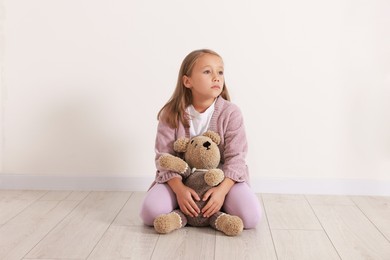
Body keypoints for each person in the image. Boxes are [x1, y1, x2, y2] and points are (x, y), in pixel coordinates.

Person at [140, 49, 261, 230]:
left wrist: (221, 192)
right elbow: (164, 157)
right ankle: (184, 209)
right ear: (187, 81)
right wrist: (179, 190)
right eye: (207, 71)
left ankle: (215, 207)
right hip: (179, 180)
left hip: (221, 180)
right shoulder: (171, 113)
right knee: (150, 214)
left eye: (220, 72)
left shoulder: (231, 113)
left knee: (250, 218)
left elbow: (237, 159)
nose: (216, 77)